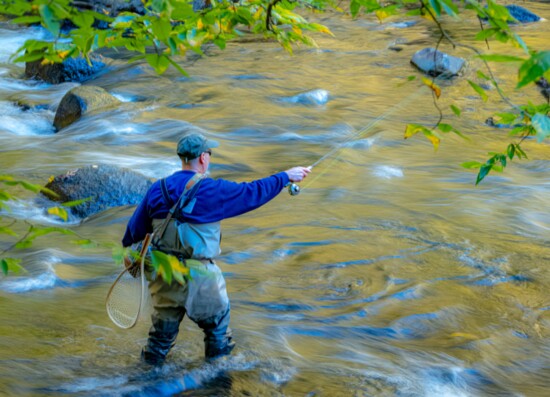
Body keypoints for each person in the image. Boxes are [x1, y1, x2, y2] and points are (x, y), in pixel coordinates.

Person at [122, 132, 310, 365]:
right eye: (209, 154)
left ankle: (143, 384)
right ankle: (216, 382)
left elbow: (132, 234)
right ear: (202, 157)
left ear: (182, 158)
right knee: (217, 332)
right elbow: (252, 193)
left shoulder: (156, 189)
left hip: (164, 275)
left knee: (159, 340)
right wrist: (285, 177)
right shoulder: (212, 189)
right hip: (200, 277)